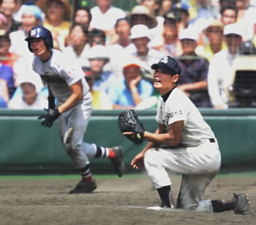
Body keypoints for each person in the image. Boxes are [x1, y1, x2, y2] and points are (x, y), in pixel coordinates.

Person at [128, 55, 251, 215]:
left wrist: (143, 135)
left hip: (202, 153)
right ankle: (235, 203)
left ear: (175, 78)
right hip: (199, 154)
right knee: (189, 207)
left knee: (153, 157)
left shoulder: (176, 99)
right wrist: (142, 153)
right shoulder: (163, 100)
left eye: (164, 72)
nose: (157, 74)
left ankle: (166, 205)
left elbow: (173, 139)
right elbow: (162, 132)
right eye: (156, 70)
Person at [25, 26, 125, 193]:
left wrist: (57, 111)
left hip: (80, 101)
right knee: (70, 146)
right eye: (32, 41)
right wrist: (51, 106)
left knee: (72, 145)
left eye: (38, 40)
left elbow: (77, 94)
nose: (35, 44)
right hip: (63, 102)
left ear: (47, 41)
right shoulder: (36, 63)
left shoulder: (63, 62)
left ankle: (88, 181)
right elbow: (50, 84)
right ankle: (112, 154)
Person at [208, 23, 243, 109]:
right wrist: (217, 102)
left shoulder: (247, 57)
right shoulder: (218, 58)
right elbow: (212, 83)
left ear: (241, 39)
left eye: (236, 37)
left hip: (245, 103)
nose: (233, 41)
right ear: (225, 39)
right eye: (229, 37)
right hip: (223, 104)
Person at [176, 28, 212, 108]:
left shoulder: (202, 61)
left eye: (190, 42)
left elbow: (206, 82)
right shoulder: (175, 62)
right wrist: (178, 91)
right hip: (179, 97)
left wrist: (184, 87)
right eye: (185, 42)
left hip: (200, 99)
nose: (187, 44)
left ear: (195, 44)